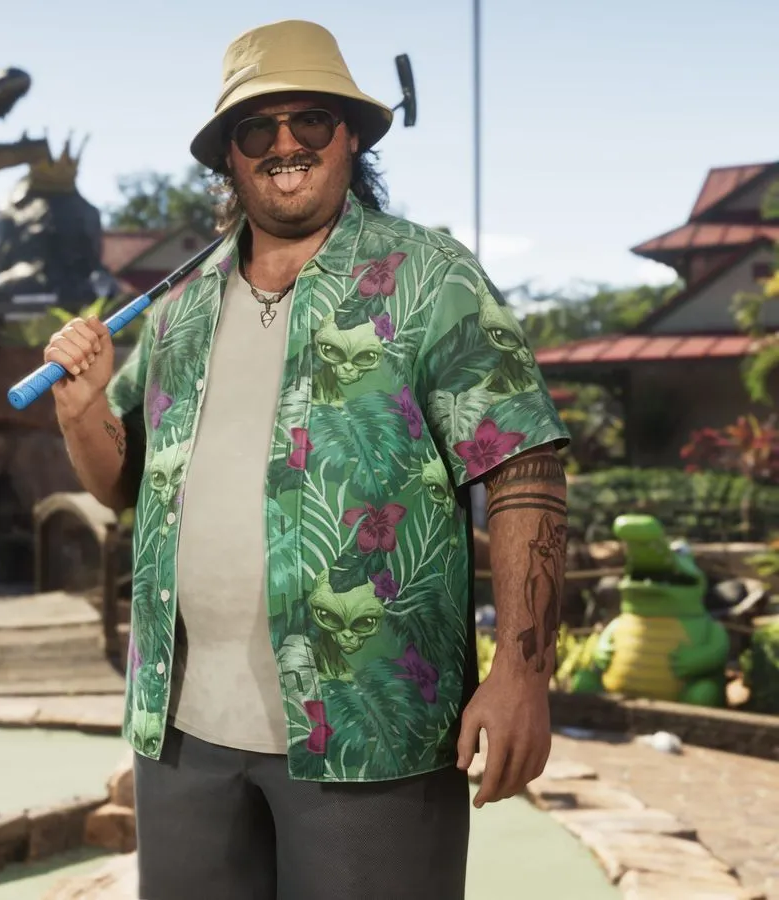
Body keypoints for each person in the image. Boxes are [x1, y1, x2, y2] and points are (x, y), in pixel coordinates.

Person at [44, 19, 571, 900]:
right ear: (229, 156)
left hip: (371, 732)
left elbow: (524, 468)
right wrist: (83, 412)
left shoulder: (429, 276)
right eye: (258, 128)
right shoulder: (177, 307)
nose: (285, 144)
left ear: (349, 137)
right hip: (181, 734)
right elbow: (124, 483)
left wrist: (520, 674)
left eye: (311, 122)